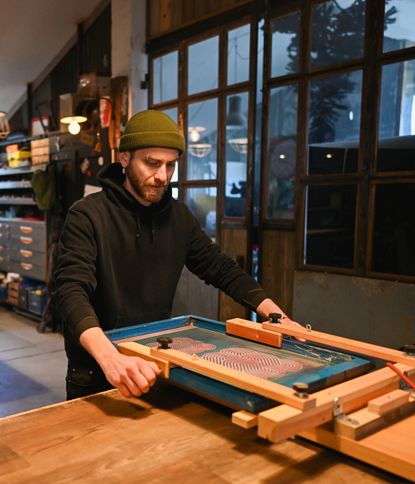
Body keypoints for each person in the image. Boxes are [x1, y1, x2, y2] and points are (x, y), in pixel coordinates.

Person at [53, 110, 304, 400]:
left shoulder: (178, 217)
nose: (162, 176)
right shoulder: (87, 215)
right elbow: (70, 291)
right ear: (124, 158)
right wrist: (110, 358)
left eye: (170, 166)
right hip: (99, 368)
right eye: (152, 163)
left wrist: (277, 316)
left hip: (155, 360)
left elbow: (220, 268)